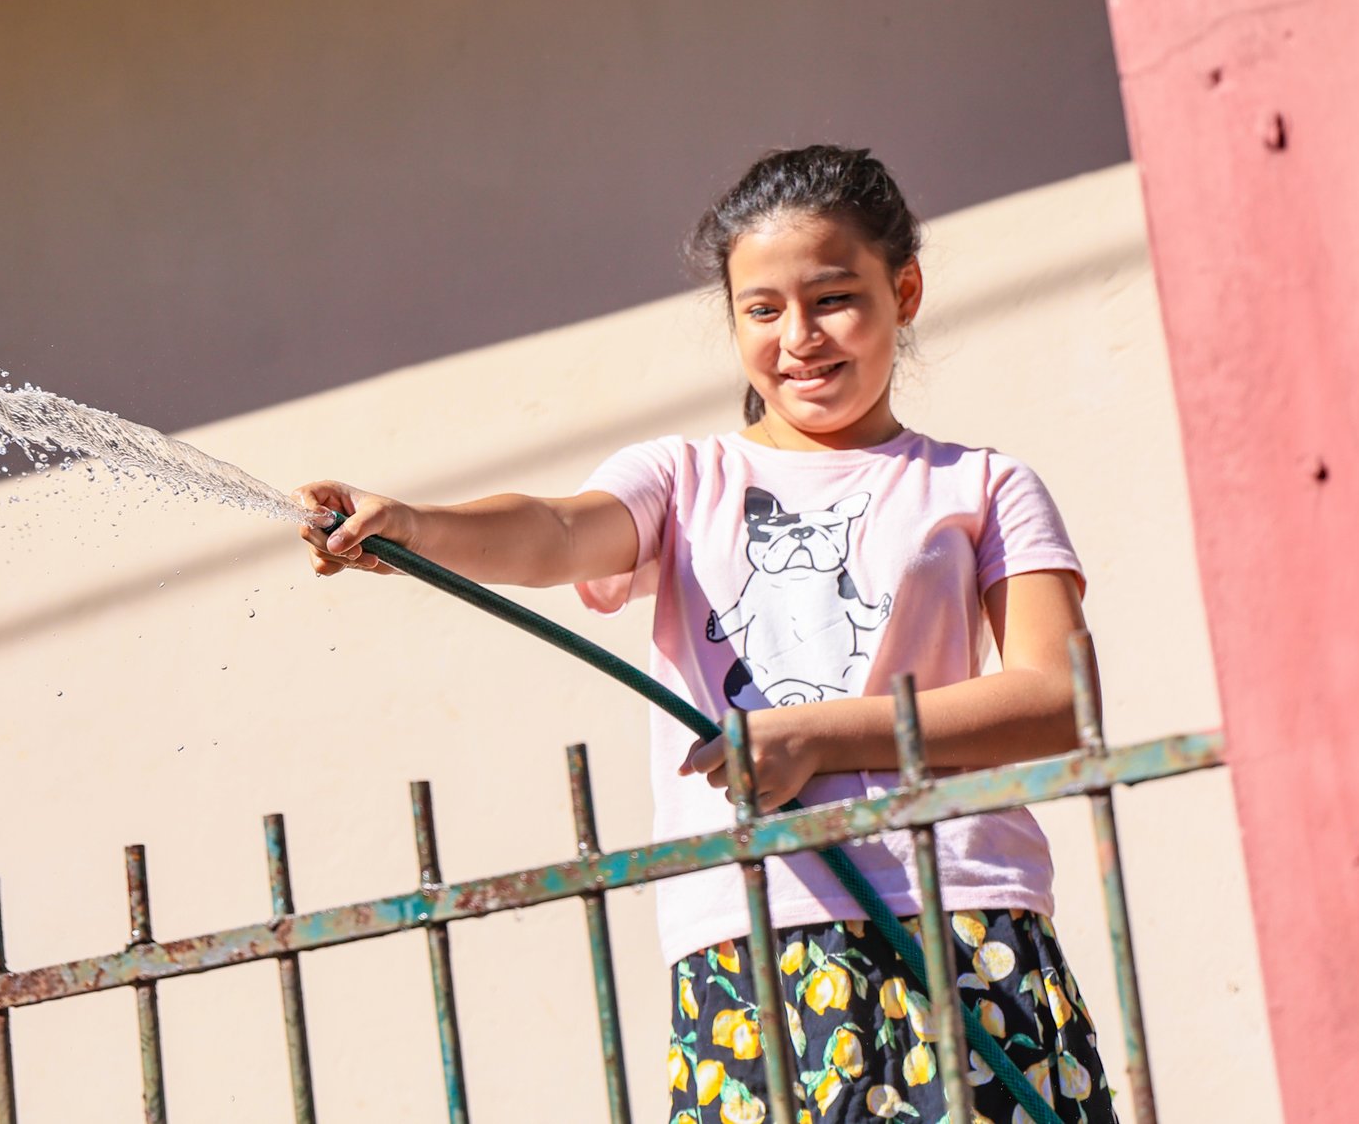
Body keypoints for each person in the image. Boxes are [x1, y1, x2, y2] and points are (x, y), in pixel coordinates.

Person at [295, 145, 1113, 1123]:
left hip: (959, 915)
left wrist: (823, 735)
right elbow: (556, 529)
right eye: (761, 310)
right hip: (750, 940)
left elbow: (1055, 699)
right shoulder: (682, 479)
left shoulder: (983, 486)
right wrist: (418, 528)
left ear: (904, 291)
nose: (797, 338)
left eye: (833, 299)